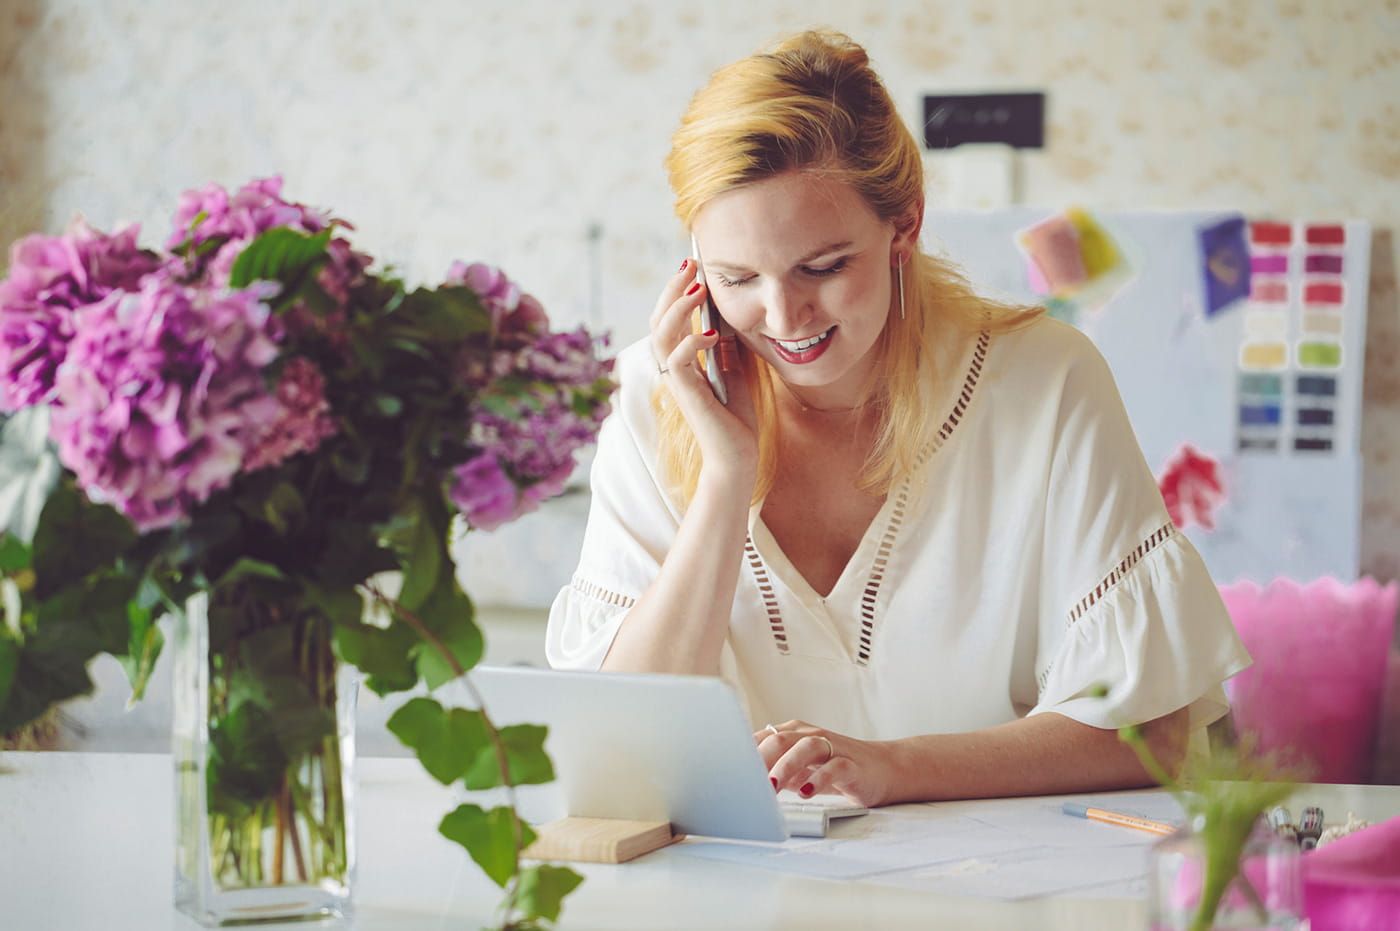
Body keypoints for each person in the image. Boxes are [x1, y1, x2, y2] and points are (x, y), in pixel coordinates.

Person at [545, 29, 1250, 808]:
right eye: (736, 276)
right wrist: (724, 479)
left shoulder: (1045, 382)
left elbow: (1158, 733)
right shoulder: (658, 389)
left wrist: (890, 767)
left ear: (903, 227)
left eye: (823, 266)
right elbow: (622, 746)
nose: (784, 316)